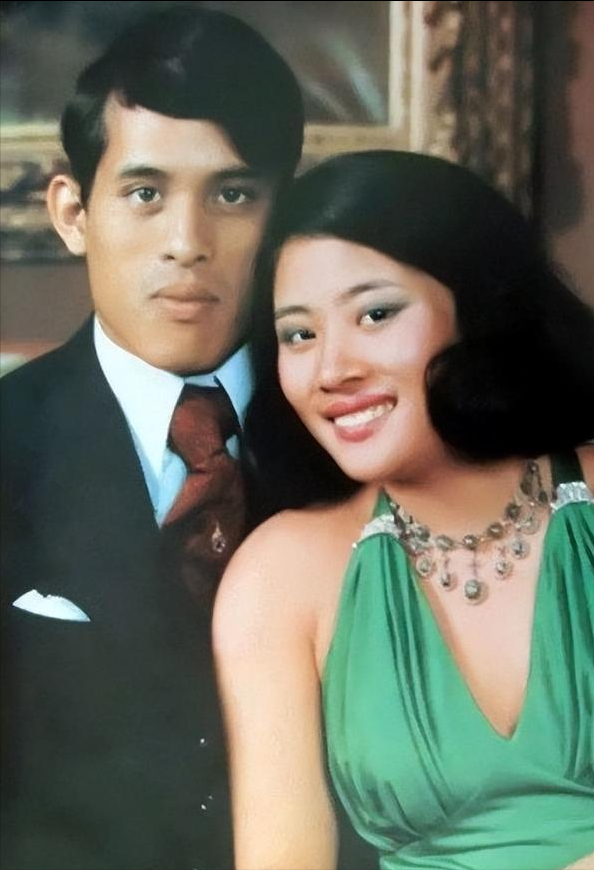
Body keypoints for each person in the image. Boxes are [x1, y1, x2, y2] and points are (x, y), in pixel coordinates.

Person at [213, 150, 594, 870]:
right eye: (299, 334)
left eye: (376, 313)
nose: (333, 370)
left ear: (477, 308)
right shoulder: (281, 576)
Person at [0, 7, 303, 870]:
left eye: (233, 194)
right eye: (145, 193)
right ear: (73, 211)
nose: (187, 244)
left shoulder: (356, 434)